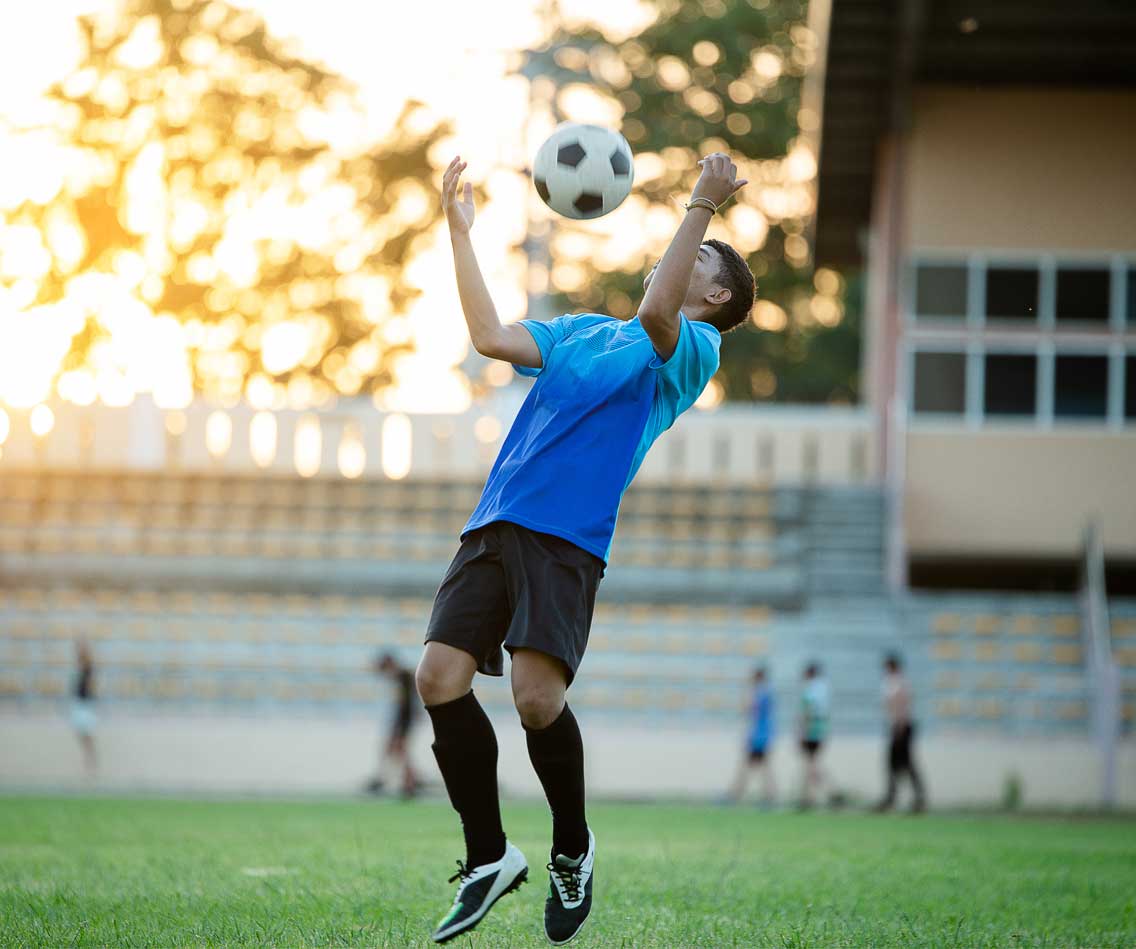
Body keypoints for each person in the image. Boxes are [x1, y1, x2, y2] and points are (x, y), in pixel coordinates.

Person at [416, 152, 754, 944]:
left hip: (568, 539)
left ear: (718, 295)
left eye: (699, 255)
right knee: (437, 677)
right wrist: (459, 233)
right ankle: (488, 856)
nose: (683, 253)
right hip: (495, 520)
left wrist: (702, 206)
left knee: (536, 700)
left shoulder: (693, 348)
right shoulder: (578, 332)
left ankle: (573, 846)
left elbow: (662, 315)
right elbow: (491, 336)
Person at [364, 652, 421, 798]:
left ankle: (407, 782)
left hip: (403, 720)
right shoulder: (403, 677)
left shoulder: (403, 677)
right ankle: (408, 782)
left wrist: (398, 726)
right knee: (398, 750)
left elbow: (405, 704)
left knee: (398, 750)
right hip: (403, 720)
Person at [875, 652, 926, 813]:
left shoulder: (898, 682)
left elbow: (902, 704)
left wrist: (899, 727)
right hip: (897, 726)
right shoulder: (895, 681)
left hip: (901, 727)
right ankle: (899, 796)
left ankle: (906, 797)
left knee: (902, 763)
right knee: (898, 764)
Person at [729, 666, 776, 805]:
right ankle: (767, 795)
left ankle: (737, 794)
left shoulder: (760, 693)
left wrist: (746, 693)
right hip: (764, 734)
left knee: (751, 766)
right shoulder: (767, 692)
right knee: (760, 766)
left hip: (758, 735)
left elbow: (748, 709)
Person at [798, 661, 828, 808]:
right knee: (813, 763)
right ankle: (809, 795)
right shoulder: (823, 689)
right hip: (820, 730)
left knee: (811, 764)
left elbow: (807, 712)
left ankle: (812, 796)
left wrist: (802, 731)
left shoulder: (809, 689)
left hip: (811, 731)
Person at [70, 640, 97, 777]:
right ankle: (88, 763)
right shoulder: (79, 668)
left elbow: (90, 686)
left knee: (86, 735)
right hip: (79, 704)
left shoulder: (88, 667)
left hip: (85, 705)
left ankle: (90, 764)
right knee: (82, 734)